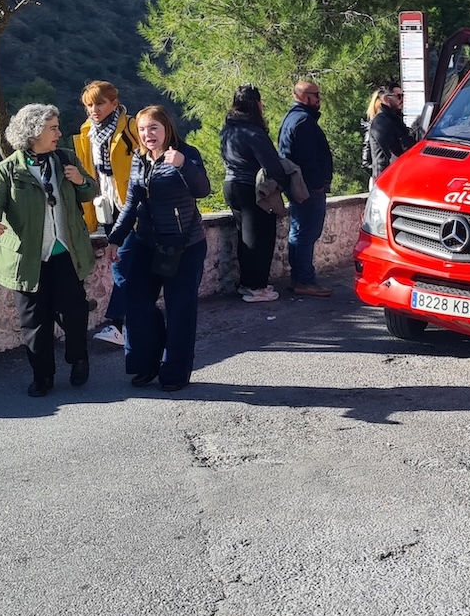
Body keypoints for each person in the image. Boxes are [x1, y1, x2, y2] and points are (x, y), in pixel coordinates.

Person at [0, 104, 97, 397]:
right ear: (34, 133)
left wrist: (80, 180)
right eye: (53, 128)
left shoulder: (65, 158)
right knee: (34, 322)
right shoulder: (8, 170)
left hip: (66, 253)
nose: (59, 133)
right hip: (28, 260)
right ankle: (43, 376)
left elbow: (90, 192)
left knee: (75, 313)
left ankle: (79, 359)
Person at [105, 106, 210, 391]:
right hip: (147, 242)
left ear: (167, 128)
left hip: (184, 246)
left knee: (180, 309)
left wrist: (182, 165)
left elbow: (202, 189)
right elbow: (131, 202)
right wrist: (116, 238)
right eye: (141, 129)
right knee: (137, 303)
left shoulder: (185, 154)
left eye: (153, 128)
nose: (147, 134)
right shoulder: (140, 158)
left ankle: (174, 372)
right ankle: (144, 364)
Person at [74, 80, 137, 348]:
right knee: (122, 261)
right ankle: (128, 323)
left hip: (131, 203)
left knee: (123, 261)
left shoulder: (131, 127)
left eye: (99, 103)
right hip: (106, 204)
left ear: (114, 102)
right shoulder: (87, 132)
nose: (94, 110)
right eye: (89, 105)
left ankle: (116, 323)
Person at [220, 85, 293, 303]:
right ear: (256, 104)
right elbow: (272, 165)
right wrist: (284, 178)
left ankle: (246, 283)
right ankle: (256, 286)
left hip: (231, 185)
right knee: (260, 236)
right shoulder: (253, 132)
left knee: (245, 236)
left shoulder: (228, 128)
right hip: (251, 188)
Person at [278, 79, 334, 298]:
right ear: (303, 96)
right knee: (306, 232)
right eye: (315, 95)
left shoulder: (293, 119)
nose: (319, 99)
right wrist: (318, 185)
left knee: (299, 231)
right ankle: (305, 280)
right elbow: (308, 159)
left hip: (299, 185)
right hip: (307, 187)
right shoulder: (303, 122)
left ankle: (299, 278)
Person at [364, 82, 414, 177]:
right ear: (387, 99)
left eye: (403, 95)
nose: (402, 100)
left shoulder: (393, 119)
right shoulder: (381, 122)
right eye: (399, 96)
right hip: (388, 178)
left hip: (394, 175)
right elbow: (395, 153)